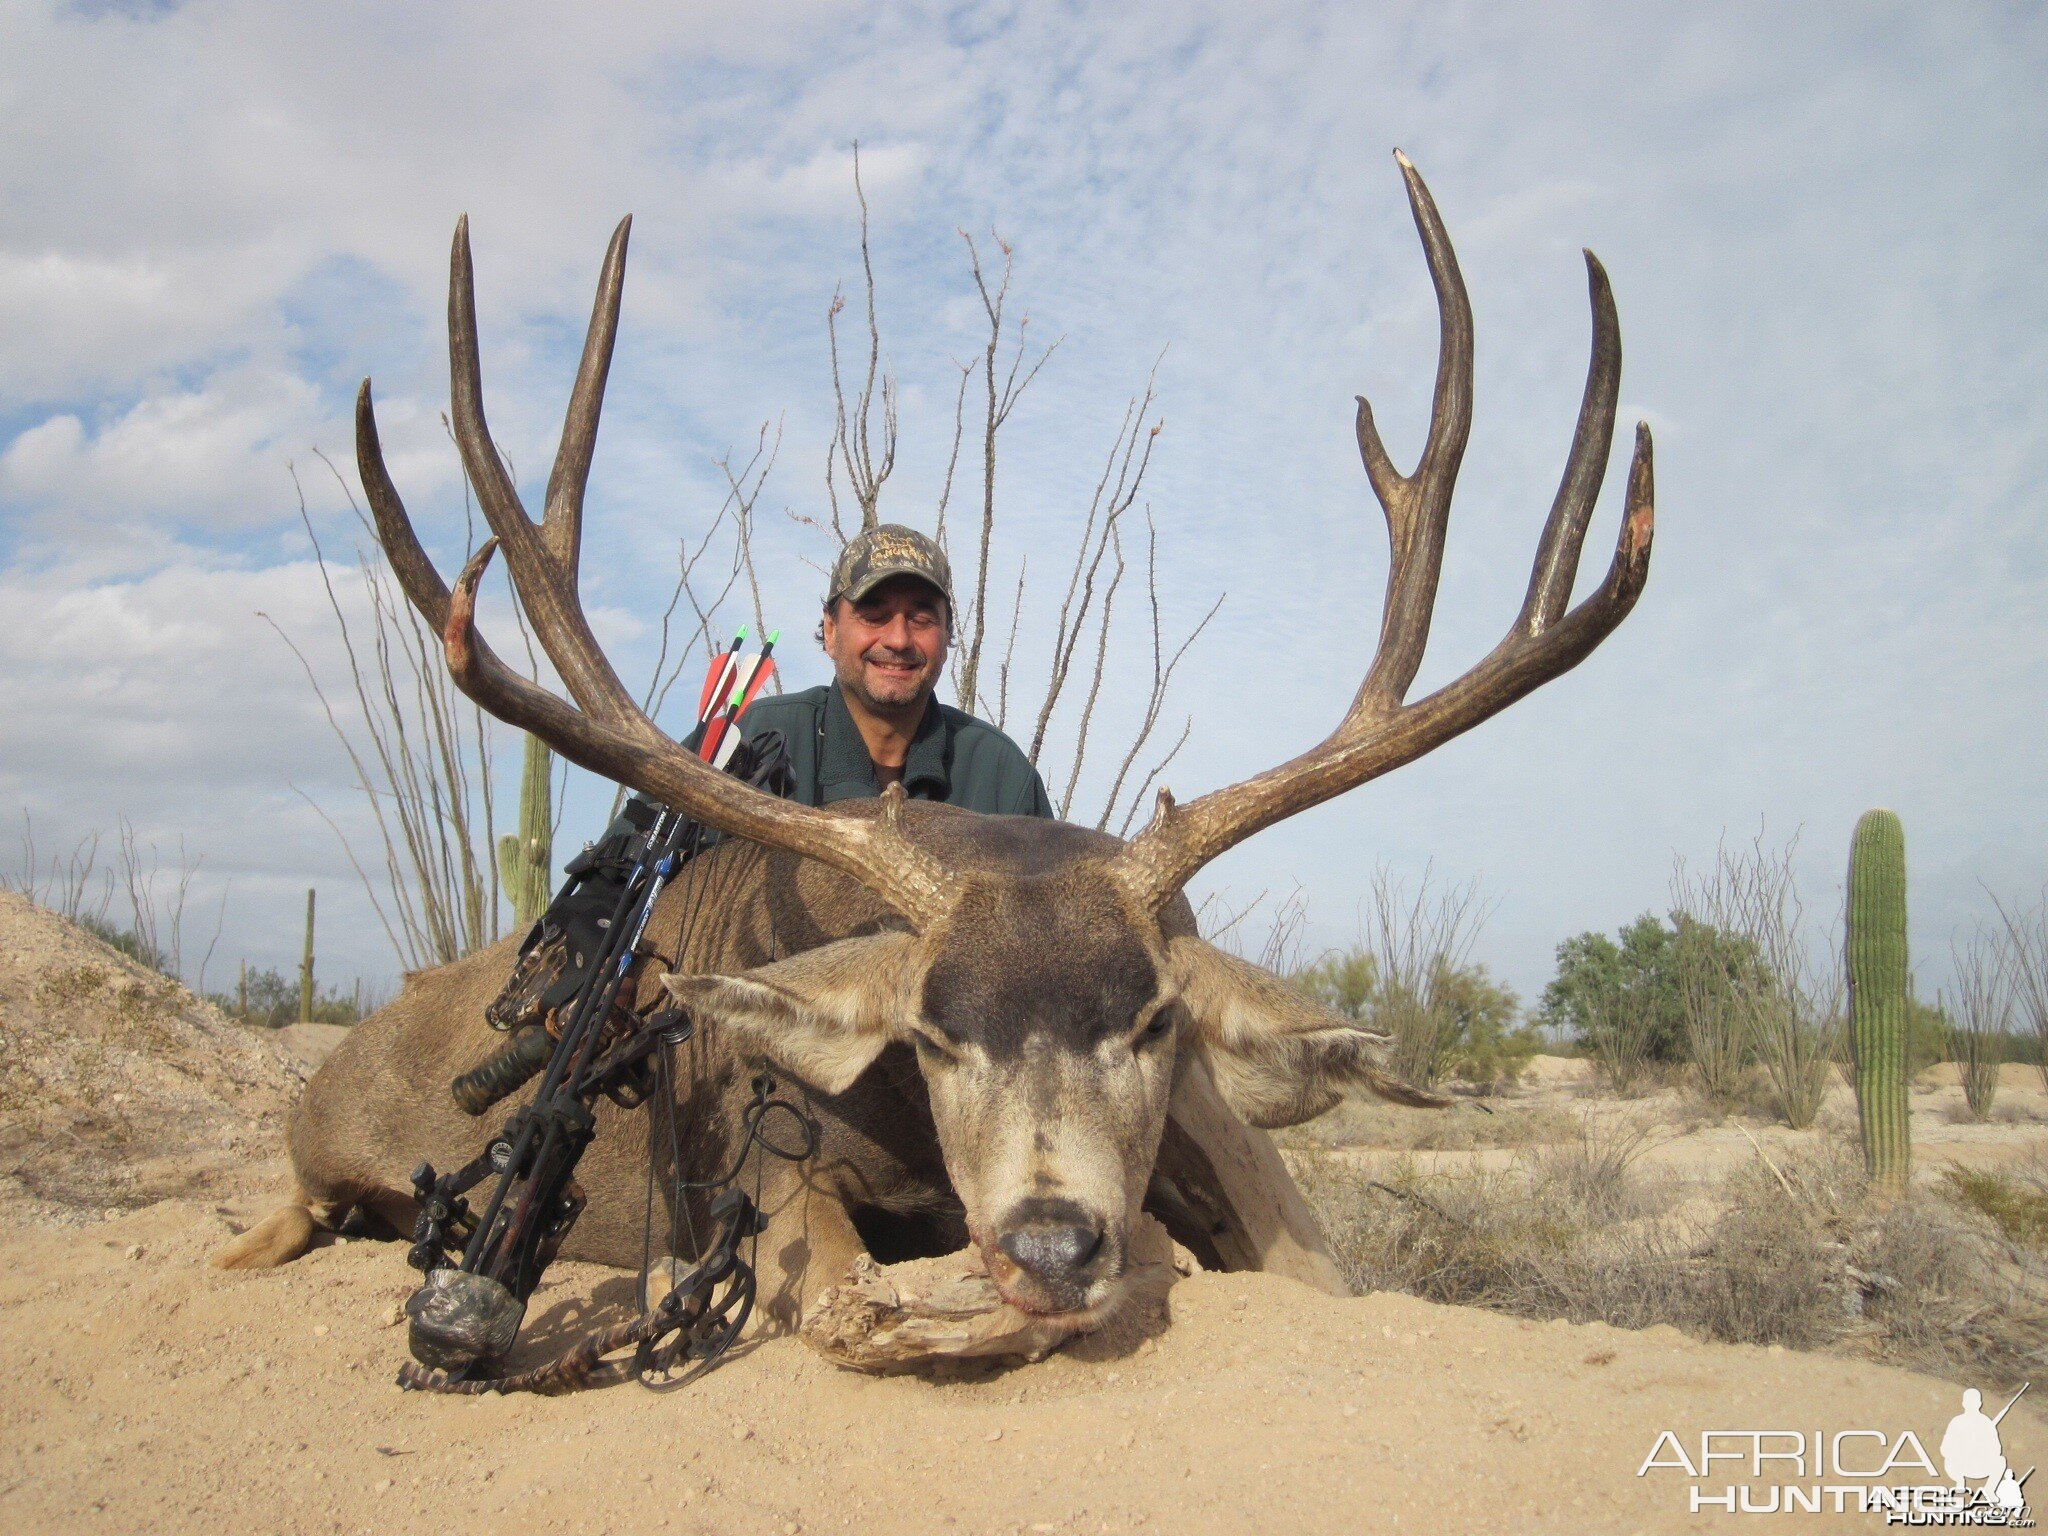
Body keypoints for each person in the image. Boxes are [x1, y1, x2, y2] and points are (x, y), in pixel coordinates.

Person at [484, 523, 1050, 1032]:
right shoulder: (753, 740)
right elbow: (623, 860)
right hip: (770, 1054)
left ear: (948, 635)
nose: (898, 639)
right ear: (829, 631)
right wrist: (596, 953)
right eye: (873, 614)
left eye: (922, 617)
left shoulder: (1000, 776)